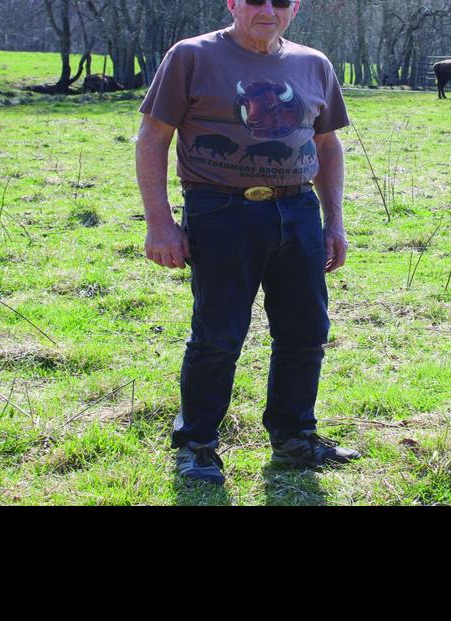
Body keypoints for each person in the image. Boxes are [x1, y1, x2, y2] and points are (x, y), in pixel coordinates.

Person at [135, 0, 358, 485]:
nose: (268, 9)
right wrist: (160, 223)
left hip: (298, 210)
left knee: (306, 331)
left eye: (281, 1)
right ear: (233, 3)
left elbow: (326, 145)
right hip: (220, 211)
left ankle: (294, 438)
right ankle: (196, 446)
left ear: (294, 7)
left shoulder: (313, 63)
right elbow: (153, 138)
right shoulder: (191, 56)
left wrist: (334, 220)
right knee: (218, 334)